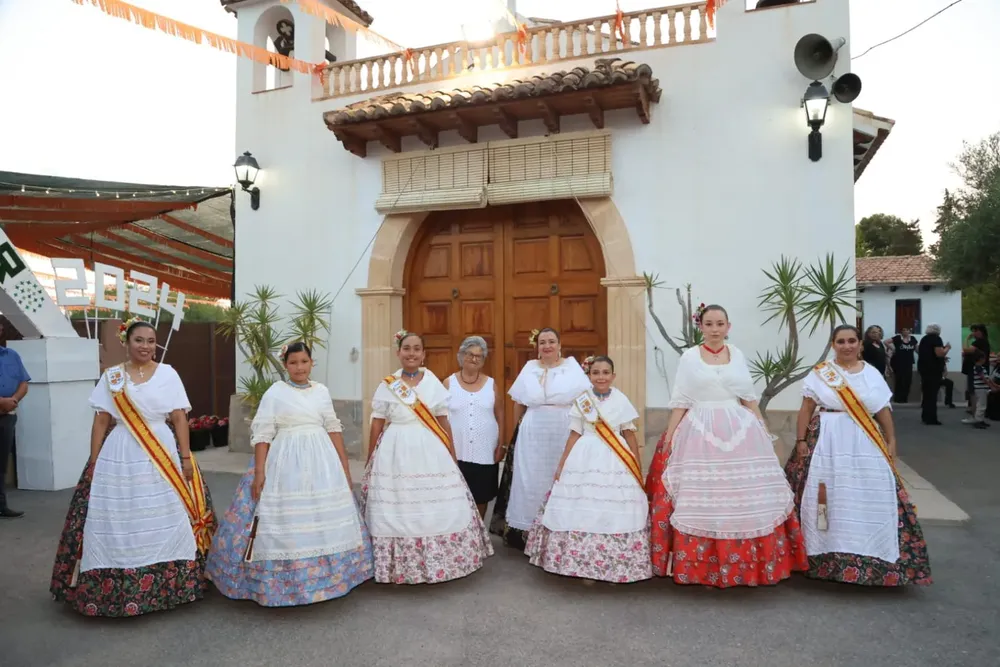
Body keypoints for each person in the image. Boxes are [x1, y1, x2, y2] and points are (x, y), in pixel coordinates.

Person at [50, 318, 216, 616]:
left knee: (165, 514)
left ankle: (172, 584)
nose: (146, 347)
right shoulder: (112, 377)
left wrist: (187, 457)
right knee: (117, 514)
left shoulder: (168, 374)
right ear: (126, 342)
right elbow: (101, 420)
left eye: (151, 341)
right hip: (121, 451)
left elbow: (179, 418)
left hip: (162, 449)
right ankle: (113, 586)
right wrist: (94, 461)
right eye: (139, 340)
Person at [646, 305, 807, 587]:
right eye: (709, 324)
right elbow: (681, 400)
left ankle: (751, 565)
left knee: (743, 495)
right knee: (704, 495)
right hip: (699, 430)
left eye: (720, 323)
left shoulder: (738, 355)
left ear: (728, 326)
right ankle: (703, 566)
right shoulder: (689, 357)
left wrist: (763, 429)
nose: (715, 329)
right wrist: (670, 438)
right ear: (701, 327)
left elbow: (748, 397)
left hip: (740, 430)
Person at [206, 342, 374, 606]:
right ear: (285, 365)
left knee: (324, 514)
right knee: (281, 517)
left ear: (311, 363)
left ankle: (334, 577)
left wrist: (343, 465)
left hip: (321, 460)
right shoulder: (276, 392)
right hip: (285, 459)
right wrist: (260, 471)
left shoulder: (321, 391)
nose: (299, 367)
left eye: (304, 362)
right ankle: (282, 582)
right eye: (293, 362)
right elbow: (262, 432)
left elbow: (333, 427)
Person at [784, 324, 932, 586]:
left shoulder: (872, 374)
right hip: (826, 441)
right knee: (825, 495)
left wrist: (891, 439)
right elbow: (806, 408)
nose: (847, 346)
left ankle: (873, 556)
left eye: (852, 340)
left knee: (869, 493)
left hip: (864, 442)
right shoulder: (821, 374)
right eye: (841, 341)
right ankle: (821, 556)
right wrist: (801, 440)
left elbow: (882, 410)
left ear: (860, 344)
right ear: (833, 345)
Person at [363, 330, 493, 584]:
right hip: (394, 449)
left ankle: (441, 561)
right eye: (406, 348)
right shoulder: (387, 384)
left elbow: (443, 421)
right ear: (398, 352)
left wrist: (452, 456)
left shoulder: (432, 381)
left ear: (423, 354)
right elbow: (377, 423)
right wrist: (370, 458)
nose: (411, 353)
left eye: (416, 349)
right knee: (397, 502)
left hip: (428, 447)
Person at [525, 355, 651, 583]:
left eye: (605, 372)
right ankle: (584, 566)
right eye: (596, 373)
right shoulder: (582, 401)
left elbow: (629, 433)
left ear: (613, 376)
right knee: (583, 508)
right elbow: (575, 433)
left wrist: (637, 465)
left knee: (614, 510)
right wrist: (562, 464)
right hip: (584, 456)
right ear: (589, 376)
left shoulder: (621, 399)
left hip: (616, 460)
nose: (601, 377)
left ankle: (617, 565)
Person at [491, 328, 591, 550]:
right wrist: (516, 433)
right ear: (537, 347)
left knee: (559, 476)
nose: (547, 346)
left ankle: (559, 531)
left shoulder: (571, 367)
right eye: (542, 342)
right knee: (530, 480)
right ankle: (528, 532)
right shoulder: (530, 368)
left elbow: (585, 400)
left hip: (563, 428)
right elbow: (518, 402)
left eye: (551, 341)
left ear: (559, 344)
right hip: (533, 430)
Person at [443, 336, 503, 519]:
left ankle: (480, 537)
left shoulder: (491, 384)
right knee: (456, 496)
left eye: (479, 356)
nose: (474, 359)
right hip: (456, 451)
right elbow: (440, 417)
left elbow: (500, 414)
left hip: (484, 451)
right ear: (461, 356)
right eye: (470, 354)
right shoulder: (448, 383)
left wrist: (501, 444)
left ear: (483, 360)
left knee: (481, 497)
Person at [0, 320, 29, 519]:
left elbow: (23, 382)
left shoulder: (12, 355)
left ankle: (2, 505)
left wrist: (13, 400)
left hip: (7, 417)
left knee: (1, 463)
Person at [917, 324, 950, 426]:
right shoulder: (936, 339)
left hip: (924, 369)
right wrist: (947, 348)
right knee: (932, 395)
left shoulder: (924, 339)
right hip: (933, 371)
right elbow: (939, 353)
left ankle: (925, 416)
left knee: (927, 394)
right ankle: (931, 418)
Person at [962, 324, 990, 415]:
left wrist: (966, 339)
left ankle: (975, 411)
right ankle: (976, 411)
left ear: (980, 332)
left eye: (975, 331)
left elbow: (966, 350)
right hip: (979, 368)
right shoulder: (984, 341)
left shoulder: (979, 342)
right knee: (976, 391)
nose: (973, 333)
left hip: (975, 369)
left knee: (973, 391)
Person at [889, 327, 918, 403]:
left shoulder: (913, 339)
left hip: (909, 363)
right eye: (903, 330)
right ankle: (898, 399)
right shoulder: (898, 338)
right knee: (899, 380)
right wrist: (893, 349)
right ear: (901, 331)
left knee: (907, 381)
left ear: (909, 331)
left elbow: (916, 349)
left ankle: (905, 398)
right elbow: (886, 342)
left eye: (907, 330)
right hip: (898, 362)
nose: (905, 331)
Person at [966, 351, 991, 430]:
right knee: (981, 405)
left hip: (982, 388)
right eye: (984, 358)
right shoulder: (978, 367)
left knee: (982, 405)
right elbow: (983, 378)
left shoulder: (980, 367)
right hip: (980, 388)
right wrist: (991, 386)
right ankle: (978, 421)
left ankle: (981, 420)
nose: (985, 359)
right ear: (980, 359)